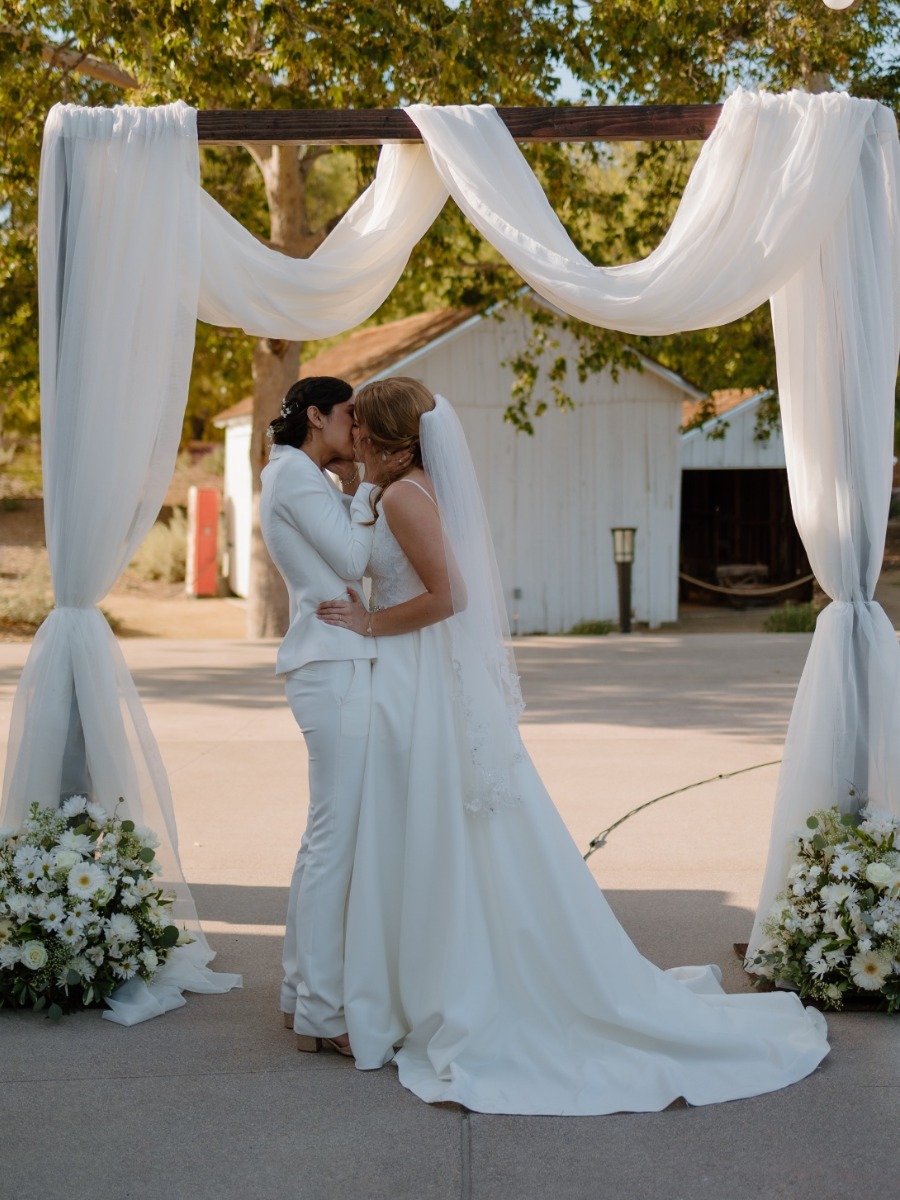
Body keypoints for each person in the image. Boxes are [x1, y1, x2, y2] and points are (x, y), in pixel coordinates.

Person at [316, 375, 830, 1116]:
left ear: (389, 437)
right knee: (438, 833)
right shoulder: (406, 485)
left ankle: (434, 992)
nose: (351, 435)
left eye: (361, 426)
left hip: (422, 676)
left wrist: (369, 624)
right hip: (420, 678)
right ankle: (412, 984)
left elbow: (450, 594)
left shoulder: (402, 496)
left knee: (435, 831)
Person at [259, 375, 406, 1055]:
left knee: (323, 841)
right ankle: (323, 1011)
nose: (359, 431)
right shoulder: (293, 477)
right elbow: (353, 560)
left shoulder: (299, 474)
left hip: (333, 665)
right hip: (332, 667)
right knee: (334, 844)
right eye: (350, 417)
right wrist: (369, 486)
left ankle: (300, 994)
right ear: (316, 416)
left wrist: (349, 486)